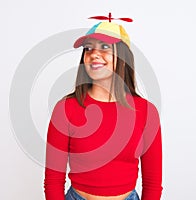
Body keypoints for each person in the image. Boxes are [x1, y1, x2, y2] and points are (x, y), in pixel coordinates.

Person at [44, 20, 163, 200]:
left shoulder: (146, 112)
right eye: (88, 49)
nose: (94, 54)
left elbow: (153, 184)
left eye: (105, 47)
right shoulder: (65, 109)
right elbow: (53, 181)